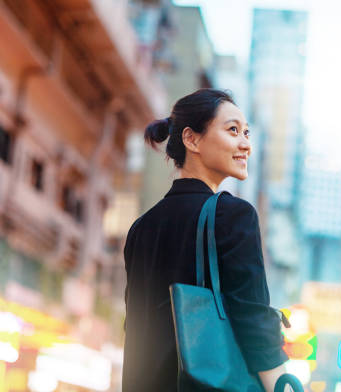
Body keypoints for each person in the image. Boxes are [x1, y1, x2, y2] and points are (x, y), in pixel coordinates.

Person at [122, 89, 289, 391]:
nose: (245, 144)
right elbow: (252, 315)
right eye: (233, 130)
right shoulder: (233, 215)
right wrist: (282, 384)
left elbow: (134, 330)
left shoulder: (140, 229)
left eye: (247, 133)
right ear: (192, 139)